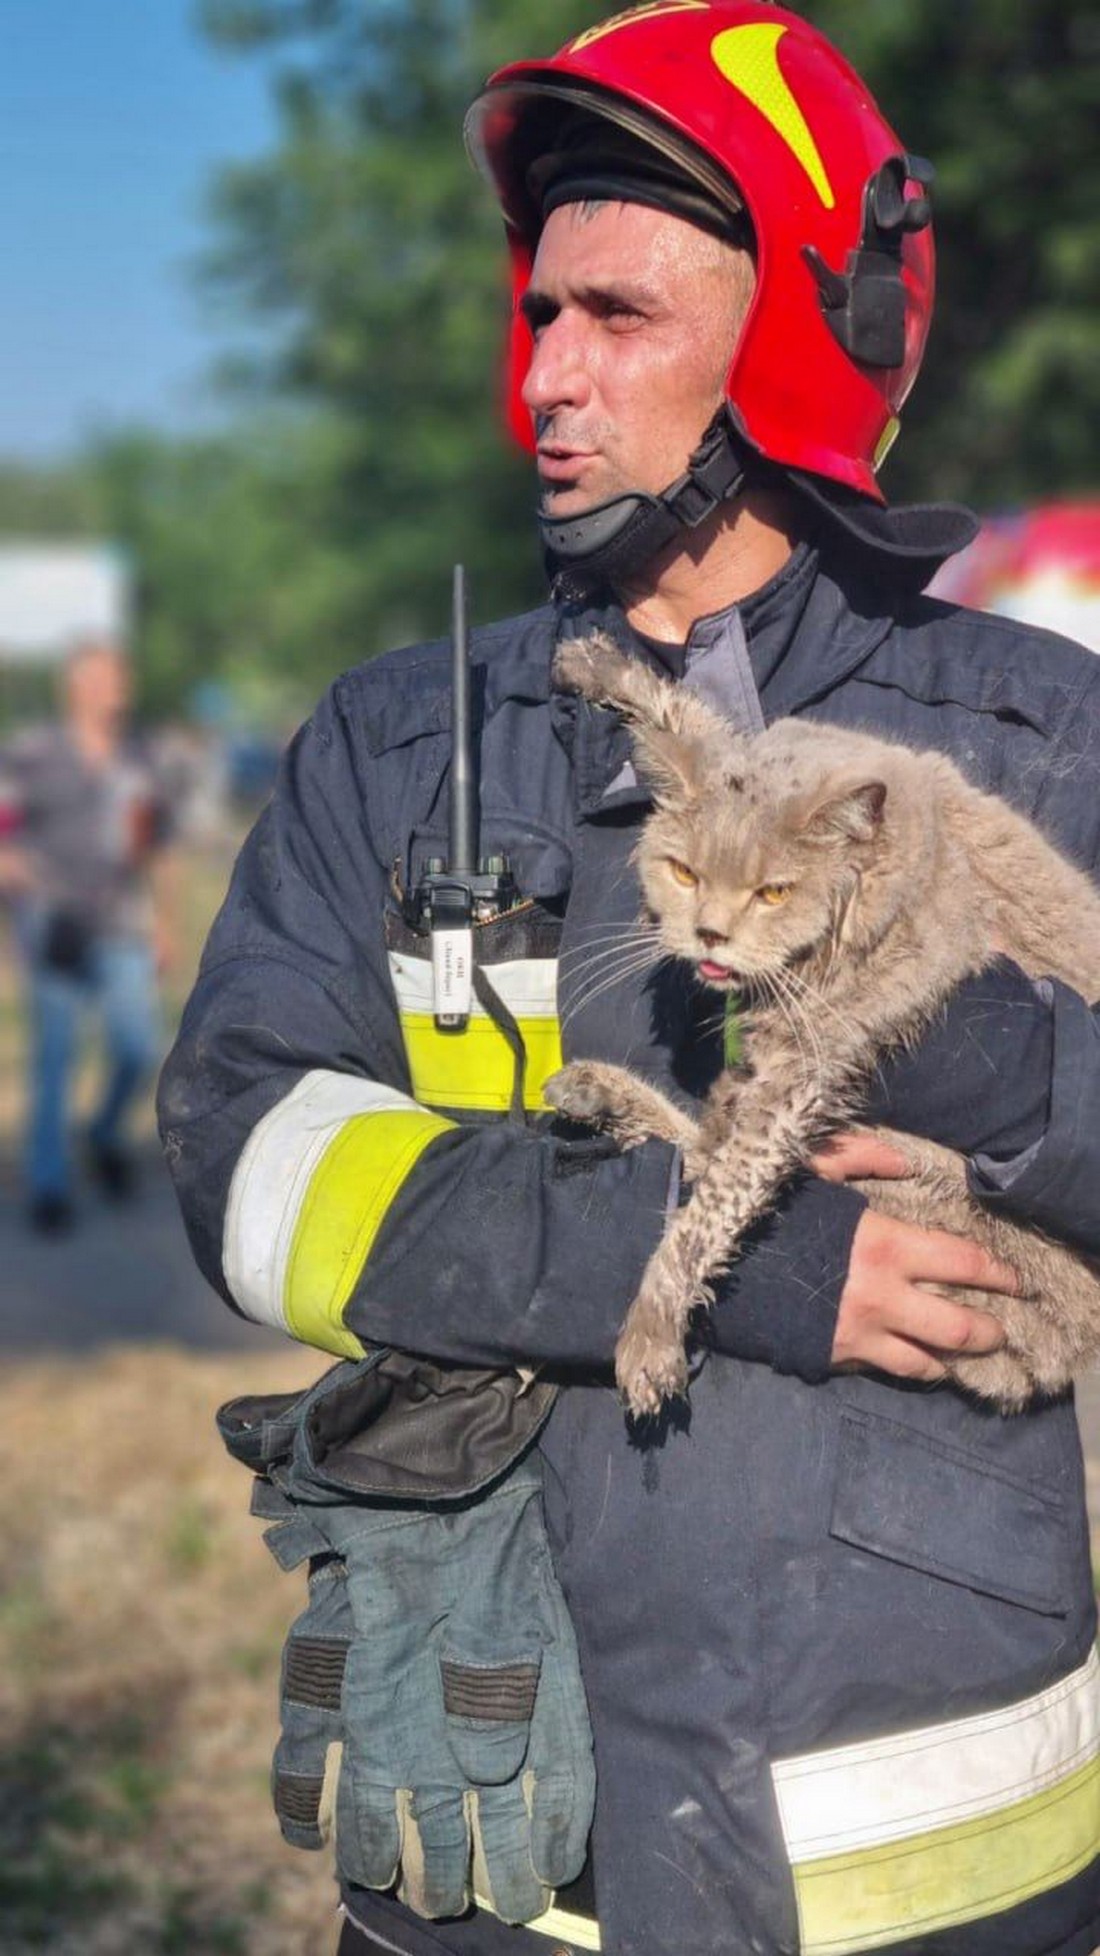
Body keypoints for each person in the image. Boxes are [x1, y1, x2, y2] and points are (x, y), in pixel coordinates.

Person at [159, 6, 1100, 1953]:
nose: (542, 381)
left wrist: (982, 1056)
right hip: (504, 1836)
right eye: (535, 319)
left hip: (931, 1882)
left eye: (613, 318)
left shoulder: (1046, 742)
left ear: (787, 354)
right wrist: (737, 1263)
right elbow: (247, 1159)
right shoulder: (399, 749)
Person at [0, 635, 177, 1231]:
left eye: (121, 675)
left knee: (138, 1046)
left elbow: (154, 844)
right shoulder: (33, 753)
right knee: (56, 1053)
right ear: (75, 686)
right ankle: (49, 1185)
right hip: (56, 921)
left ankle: (103, 1133)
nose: (118, 686)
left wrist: (163, 923)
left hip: (123, 920)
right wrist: (21, 874)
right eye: (106, 676)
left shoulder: (139, 755)